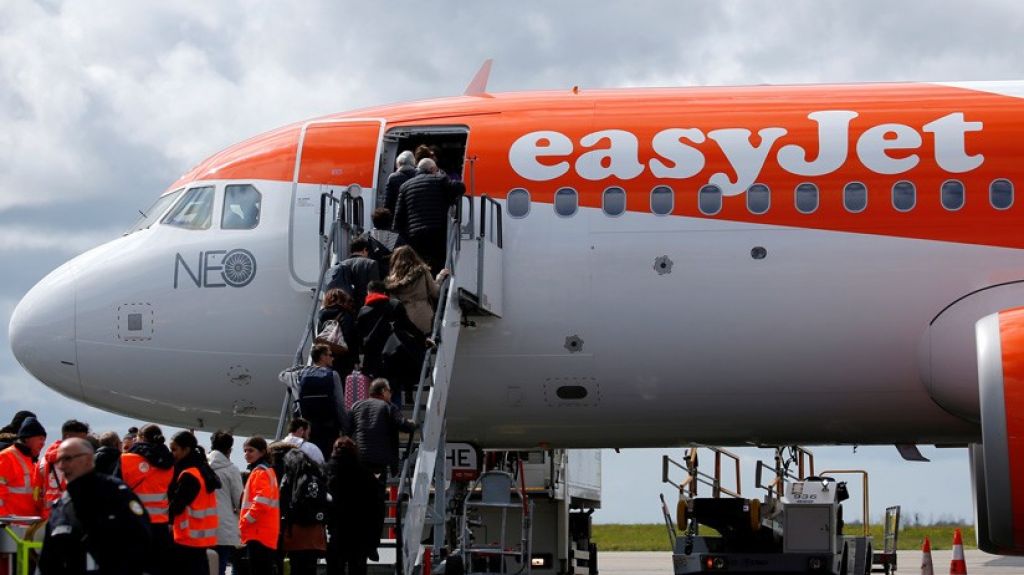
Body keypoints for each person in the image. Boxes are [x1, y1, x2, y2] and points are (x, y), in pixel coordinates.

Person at [38, 438, 152, 575]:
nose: (62, 466)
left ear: (88, 459)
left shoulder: (115, 493)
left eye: (67, 459)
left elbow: (143, 542)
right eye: (59, 460)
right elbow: (48, 561)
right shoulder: (62, 505)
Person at [357, 281, 427, 404]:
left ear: (368, 292)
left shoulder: (363, 311)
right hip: (394, 355)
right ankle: (396, 416)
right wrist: (423, 338)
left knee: (377, 392)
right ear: (384, 292)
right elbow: (408, 326)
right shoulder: (394, 305)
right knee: (394, 389)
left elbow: (358, 335)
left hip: (374, 360)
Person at [392, 157, 463, 274]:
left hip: (415, 234)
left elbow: (398, 217)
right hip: (437, 231)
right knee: (438, 264)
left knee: (418, 264)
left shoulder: (405, 186)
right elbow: (460, 188)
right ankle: (436, 286)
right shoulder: (440, 179)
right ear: (432, 169)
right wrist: (443, 175)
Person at [121, 423, 175, 575]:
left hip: (134, 522)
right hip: (160, 525)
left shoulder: (126, 459)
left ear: (141, 438)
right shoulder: (169, 463)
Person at [168, 430, 222, 575]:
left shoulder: (189, 475)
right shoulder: (203, 470)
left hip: (187, 537)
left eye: (174, 449)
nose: (172, 454)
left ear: (186, 450)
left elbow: (177, 506)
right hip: (201, 537)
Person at [326, 437, 380, 575]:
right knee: (358, 567)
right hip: (360, 533)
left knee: (335, 568)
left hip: (336, 530)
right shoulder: (366, 475)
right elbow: (377, 509)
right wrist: (374, 541)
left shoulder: (327, 472)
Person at [345, 379, 417, 475]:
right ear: (383, 391)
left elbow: (347, 431)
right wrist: (412, 424)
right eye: (389, 391)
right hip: (380, 460)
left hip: (359, 457)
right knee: (378, 487)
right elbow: (404, 425)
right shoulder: (388, 407)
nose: (391, 394)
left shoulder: (356, 406)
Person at [294, 344, 346, 457]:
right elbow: (340, 404)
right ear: (322, 356)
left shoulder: (301, 374)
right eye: (330, 355)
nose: (333, 358)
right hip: (329, 427)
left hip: (309, 428)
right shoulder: (332, 375)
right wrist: (345, 428)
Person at [386, 245, 450, 336]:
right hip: (424, 316)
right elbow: (435, 293)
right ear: (413, 257)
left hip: (405, 319)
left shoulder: (391, 281)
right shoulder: (422, 272)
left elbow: (393, 304)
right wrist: (439, 279)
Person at [240, 437, 280, 575]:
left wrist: (245, 521)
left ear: (262, 452)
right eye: (245, 451)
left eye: (251, 450)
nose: (246, 454)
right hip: (265, 532)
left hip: (258, 532)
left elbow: (261, 503)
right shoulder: (267, 471)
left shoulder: (260, 472)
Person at [209, 430, 244, 575]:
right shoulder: (231, 470)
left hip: (201, 526)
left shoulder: (201, 465)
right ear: (229, 450)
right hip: (223, 528)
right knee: (220, 567)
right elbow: (239, 501)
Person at [0, 416, 46, 520]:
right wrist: (3, 519)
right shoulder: (6, 457)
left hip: (27, 522)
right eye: (40, 438)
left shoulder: (32, 462)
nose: (43, 443)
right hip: (10, 525)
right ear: (27, 438)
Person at [41, 419, 90, 511]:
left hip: (48, 513)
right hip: (68, 513)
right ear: (68, 437)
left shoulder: (44, 460)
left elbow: (36, 488)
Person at [326, 236, 381, 309]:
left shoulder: (340, 265)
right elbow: (375, 290)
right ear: (365, 250)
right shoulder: (371, 263)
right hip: (365, 307)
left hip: (346, 308)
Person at [317, 287, 359, 377]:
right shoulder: (346, 315)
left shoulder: (321, 316)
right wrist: (356, 360)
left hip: (325, 359)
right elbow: (351, 340)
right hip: (343, 361)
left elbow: (320, 336)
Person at [367, 208, 404, 277]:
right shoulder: (398, 238)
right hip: (393, 275)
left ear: (374, 222)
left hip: (374, 277)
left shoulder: (368, 238)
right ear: (390, 222)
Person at [384, 150, 417, 214]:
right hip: (413, 214)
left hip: (397, 213)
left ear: (398, 163)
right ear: (413, 162)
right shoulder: (418, 175)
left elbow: (388, 201)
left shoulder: (393, 177)